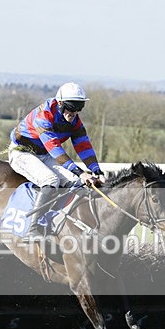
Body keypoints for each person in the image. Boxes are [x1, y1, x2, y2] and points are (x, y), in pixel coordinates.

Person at [8, 82, 106, 238]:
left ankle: (57, 221)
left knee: (76, 182)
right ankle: (31, 229)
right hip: (22, 153)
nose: (74, 112)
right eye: (71, 107)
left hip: (44, 155)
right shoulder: (44, 116)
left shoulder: (75, 121)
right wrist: (81, 172)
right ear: (59, 103)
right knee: (51, 181)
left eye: (79, 107)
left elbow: (83, 146)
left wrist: (96, 170)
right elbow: (54, 149)